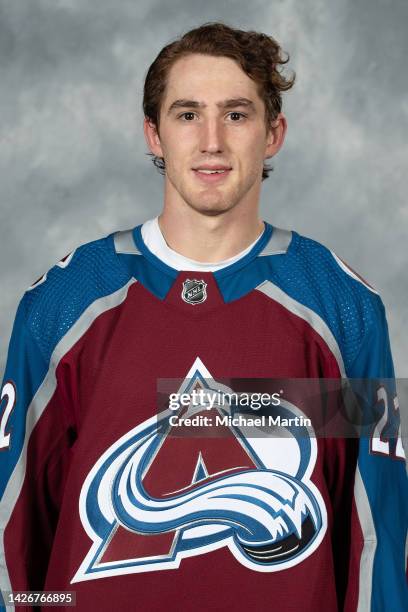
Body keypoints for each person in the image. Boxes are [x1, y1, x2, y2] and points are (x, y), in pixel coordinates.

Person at [0, 21, 406, 612]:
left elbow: (377, 539)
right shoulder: (63, 303)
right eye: (187, 114)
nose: (211, 140)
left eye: (237, 115)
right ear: (154, 134)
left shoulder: (345, 309)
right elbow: (14, 536)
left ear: (274, 134)